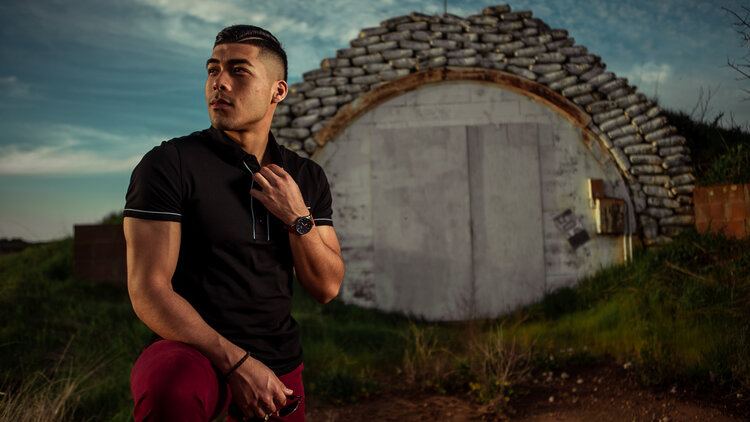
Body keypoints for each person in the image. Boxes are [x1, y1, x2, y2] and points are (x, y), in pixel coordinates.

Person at [123, 24, 345, 422]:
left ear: (278, 91)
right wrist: (237, 364)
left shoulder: (305, 176)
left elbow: (326, 287)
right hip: (191, 353)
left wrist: (297, 218)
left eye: (238, 70)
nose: (219, 82)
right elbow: (148, 290)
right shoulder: (169, 164)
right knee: (169, 389)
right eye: (213, 70)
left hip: (278, 363)